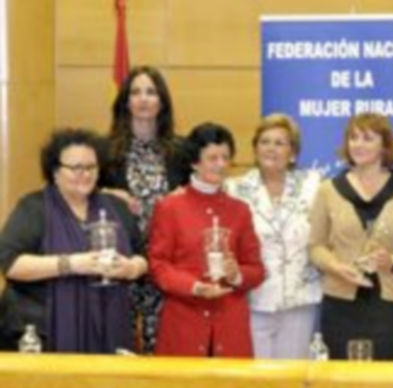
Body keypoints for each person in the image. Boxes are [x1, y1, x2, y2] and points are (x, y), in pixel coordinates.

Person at [0, 128, 147, 352]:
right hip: (43, 334)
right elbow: (10, 264)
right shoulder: (34, 208)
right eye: (75, 168)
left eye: (90, 167)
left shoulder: (116, 207)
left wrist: (131, 269)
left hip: (110, 329)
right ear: (55, 171)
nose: (85, 174)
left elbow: (143, 255)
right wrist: (71, 264)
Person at [309, 113, 393, 360]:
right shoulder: (328, 190)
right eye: (353, 137)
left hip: (392, 307)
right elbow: (316, 246)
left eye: (368, 138)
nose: (358, 144)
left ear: (385, 145)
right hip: (341, 303)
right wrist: (336, 266)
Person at [149, 122, 265, 357]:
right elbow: (159, 266)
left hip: (230, 328)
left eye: (226, 157)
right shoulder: (170, 207)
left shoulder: (240, 210)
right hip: (184, 326)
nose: (221, 164)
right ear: (194, 161)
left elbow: (257, 269)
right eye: (213, 158)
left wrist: (237, 274)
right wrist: (194, 287)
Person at [103, 65, 187, 353]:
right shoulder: (105, 150)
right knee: (119, 347)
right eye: (136, 92)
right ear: (125, 101)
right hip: (120, 262)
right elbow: (79, 195)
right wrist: (108, 193)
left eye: (151, 92)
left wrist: (185, 195)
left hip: (167, 262)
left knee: (162, 348)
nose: (143, 98)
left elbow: (205, 194)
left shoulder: (181, 150)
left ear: (162, 101)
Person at [226, 113, 322, 359]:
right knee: (258, 380)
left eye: (280, 143)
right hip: (253, 298)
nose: (271, 148)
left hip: (300, 299)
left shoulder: (314, 185)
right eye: (265, 142)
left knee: (291, 379)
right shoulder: (233, 189)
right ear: (255, 149)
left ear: (293, 153)